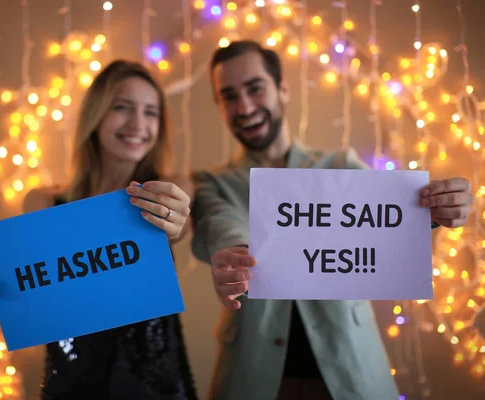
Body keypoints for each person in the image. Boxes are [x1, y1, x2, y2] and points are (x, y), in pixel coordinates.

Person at [190, 40, 474, 400]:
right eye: (229, 96)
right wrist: (233, 249)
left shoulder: (340, 165)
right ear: (219, 107)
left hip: (351, 371)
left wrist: (434, 209)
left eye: (255, 88)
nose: (244, 106)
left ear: (282, 89)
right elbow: (219, 221)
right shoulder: (213, 182)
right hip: (254, 376)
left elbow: (389, 215)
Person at [0, 60, 198, 400]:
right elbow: (28, 285)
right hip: (72, 384)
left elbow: (178, 228)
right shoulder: (43, 200)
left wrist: (175, 224)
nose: (138, 124)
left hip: (155, 385)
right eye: (122, 107)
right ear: (96, 115)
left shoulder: (168, 189)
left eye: (151, 112)